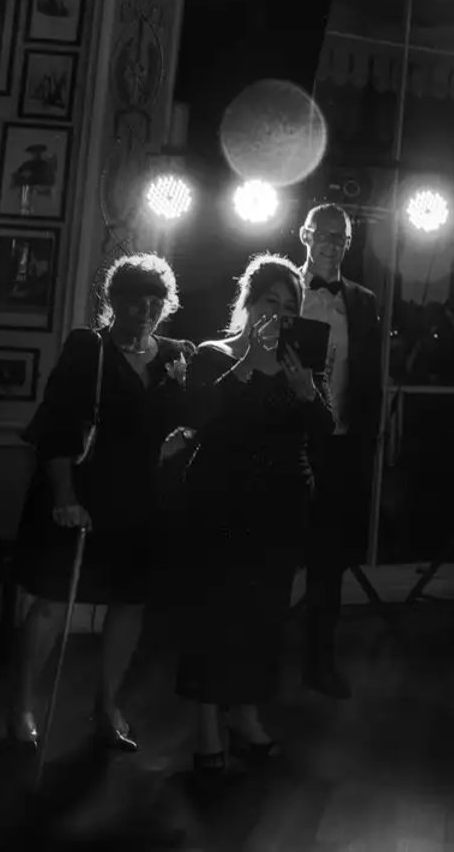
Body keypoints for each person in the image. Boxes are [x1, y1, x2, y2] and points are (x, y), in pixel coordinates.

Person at [7, 254, 195, 752]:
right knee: (52, 602)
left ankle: (107, 706)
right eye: (136, 300)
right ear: (114, 300)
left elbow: (187, 421)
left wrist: (175, 444)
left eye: (156, 301)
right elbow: (55, 426)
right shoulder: (87, 349)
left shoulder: (177, 354)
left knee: (129, 603)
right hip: (81, 493)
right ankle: (21, 707)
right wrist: (65, 497)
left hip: (140, 499)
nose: (147, 310)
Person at [172, 254, 333, 782]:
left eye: (289, 307)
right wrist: (247, 365)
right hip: (220, 500)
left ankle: (245, 714)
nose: (278, 314)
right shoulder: (213, 354)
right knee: (213, 614)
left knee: (264, 616)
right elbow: (200, 418)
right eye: (270, 301)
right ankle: (206, 726)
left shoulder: (299, 364)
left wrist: (308, 393)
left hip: (281, 502)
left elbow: (323, 431)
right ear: (248, 302)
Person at [295, 203, 383, 699]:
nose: (331, 244)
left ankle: (319, 663)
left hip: (340, 445)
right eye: (323, 234)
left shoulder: (363, 301)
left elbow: (368, 377)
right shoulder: (283, 289)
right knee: (273, 553)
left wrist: (365, 442)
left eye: (340, 237)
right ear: (305, 235)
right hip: (285, 440)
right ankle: (255, 662)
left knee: (328, 564)